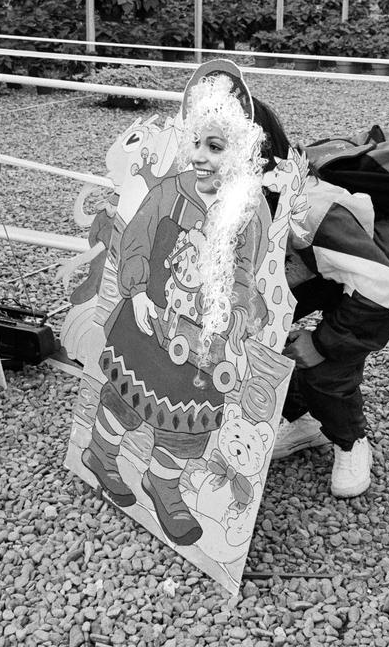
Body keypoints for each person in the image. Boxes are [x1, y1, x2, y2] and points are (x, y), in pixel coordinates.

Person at [79, 64, 286, 546]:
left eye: (216, 147)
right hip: (148, 317)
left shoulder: (249, 208)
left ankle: (163, 483)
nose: (202, 156)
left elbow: (247, 270)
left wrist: (238, 312)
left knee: (186, 421)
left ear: (240, 148)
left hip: (203, 334)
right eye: (196, 143)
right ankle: (101, 454)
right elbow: (135, 240)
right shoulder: (169, 191)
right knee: (126, 397)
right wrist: (133, 295)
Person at [272, 125, 389, 499]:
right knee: (262, 329)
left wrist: (322, 343)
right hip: (318, 255)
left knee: (325, 364)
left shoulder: (311, 209)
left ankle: (351, 442)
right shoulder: (238, 192)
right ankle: (304, 422)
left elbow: (379, 293)